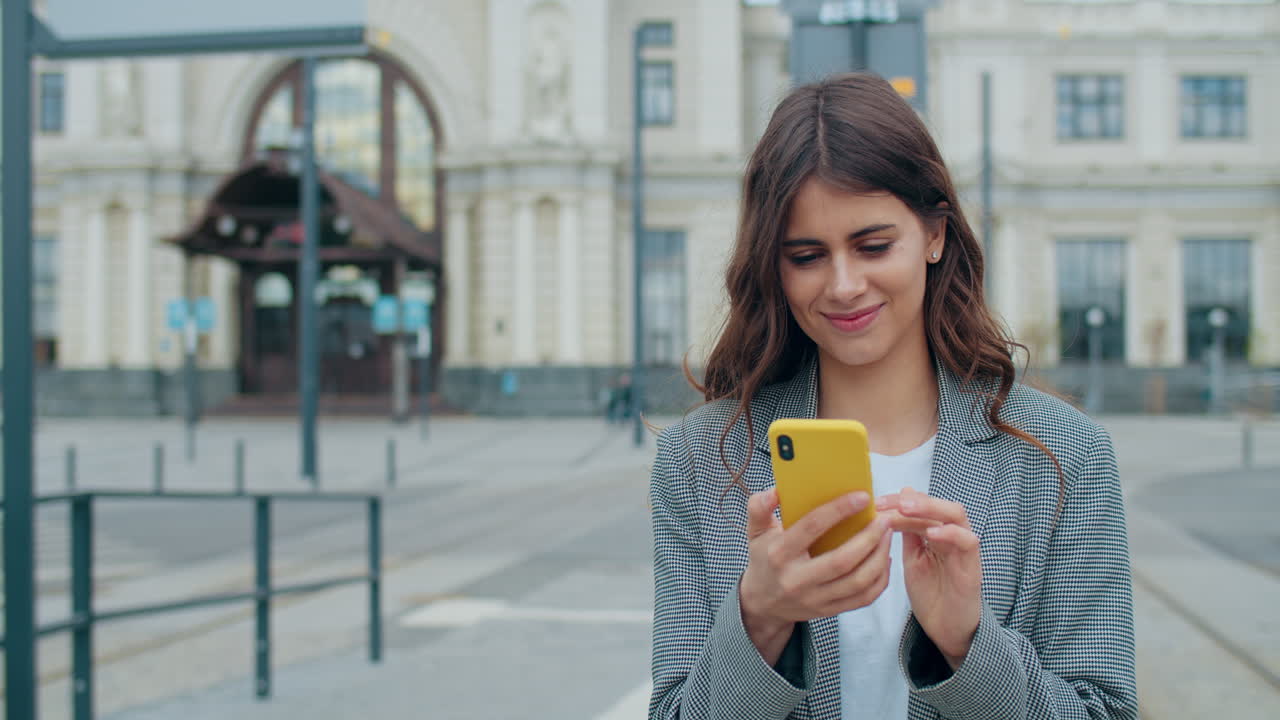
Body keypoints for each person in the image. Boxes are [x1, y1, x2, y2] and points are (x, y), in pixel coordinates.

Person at [648, 73, 1136, 720]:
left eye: (873, 245)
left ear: (934, 235)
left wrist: (967, 644)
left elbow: (1104, 710)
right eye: (806, 256)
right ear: (772, 265)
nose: (845, 285)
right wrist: (758, 620)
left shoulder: (1065, 455)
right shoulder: (699, 457)